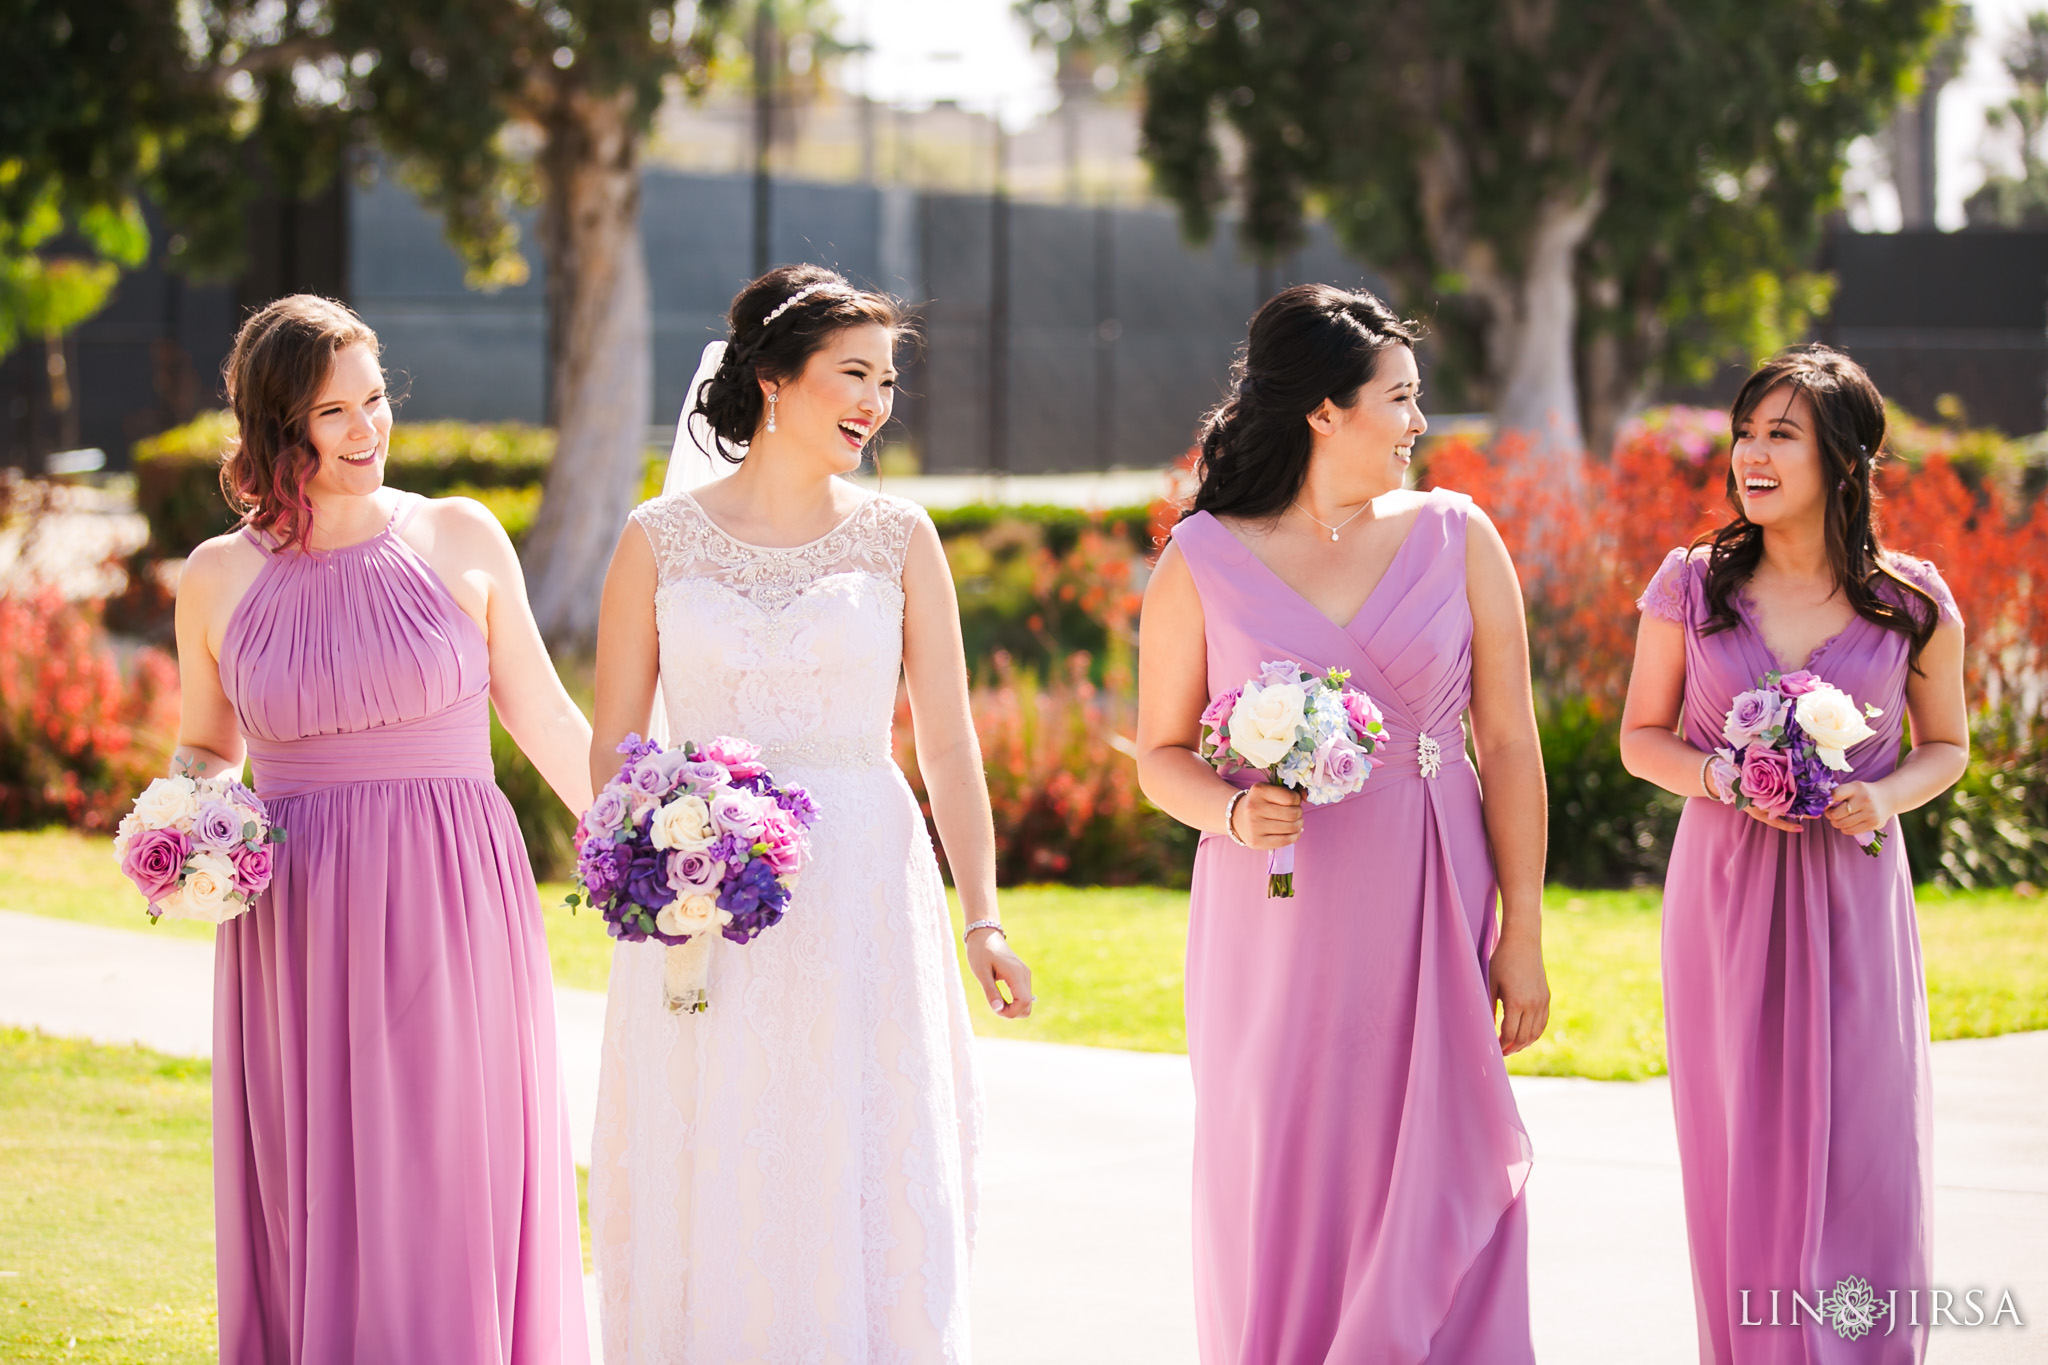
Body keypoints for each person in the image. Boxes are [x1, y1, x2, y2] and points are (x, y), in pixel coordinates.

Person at [586, 263, 1033, 1362]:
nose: (876, 403)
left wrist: (982, 915)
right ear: (775, 381)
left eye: (887, 381)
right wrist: (649, 866)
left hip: (864, 887)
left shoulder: (897, 538)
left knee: (856, 1141)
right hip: (702, 901)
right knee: (720, 1137)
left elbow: (946, 744)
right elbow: (614, 743)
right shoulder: (656, 539)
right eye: (853, 374)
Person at [171, 295, 595, 1362]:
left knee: (450, 1160)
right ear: (279, 431)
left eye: (375, 399)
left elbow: (543, 715)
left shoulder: (459, 533)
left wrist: (639, 833)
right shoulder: (218, 575)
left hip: (454, 892)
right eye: (334, 412)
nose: (368, 429)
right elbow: (206, 748)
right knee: (319, 1172)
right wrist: (180, 829)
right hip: (297, 913)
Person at [1135, 284, 1550, 1363]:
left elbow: (1505, 744)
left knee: (1435, 1154)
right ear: (1325, 410)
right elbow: (1159, 758)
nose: (1418, 422)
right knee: (1287, 1158)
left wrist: (1524, 934)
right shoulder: (1201, 559)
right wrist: (1231, 808)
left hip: (1432, 888)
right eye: (1399, 397)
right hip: (1273, 916)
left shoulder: (1456, 536)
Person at [1620, 345, 1967, 1365]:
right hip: (1722, 890)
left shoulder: (1911, 602)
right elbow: (1642, 738)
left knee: (1863, 1137)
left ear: (1843, 462)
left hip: (1853, 892)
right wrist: (1722, 778)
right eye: (1744, 432)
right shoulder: (1688, 585)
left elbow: (1945, 746)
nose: (1749, 456)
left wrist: (1881, 794)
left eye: (1781, 435)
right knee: (1740, 1143)